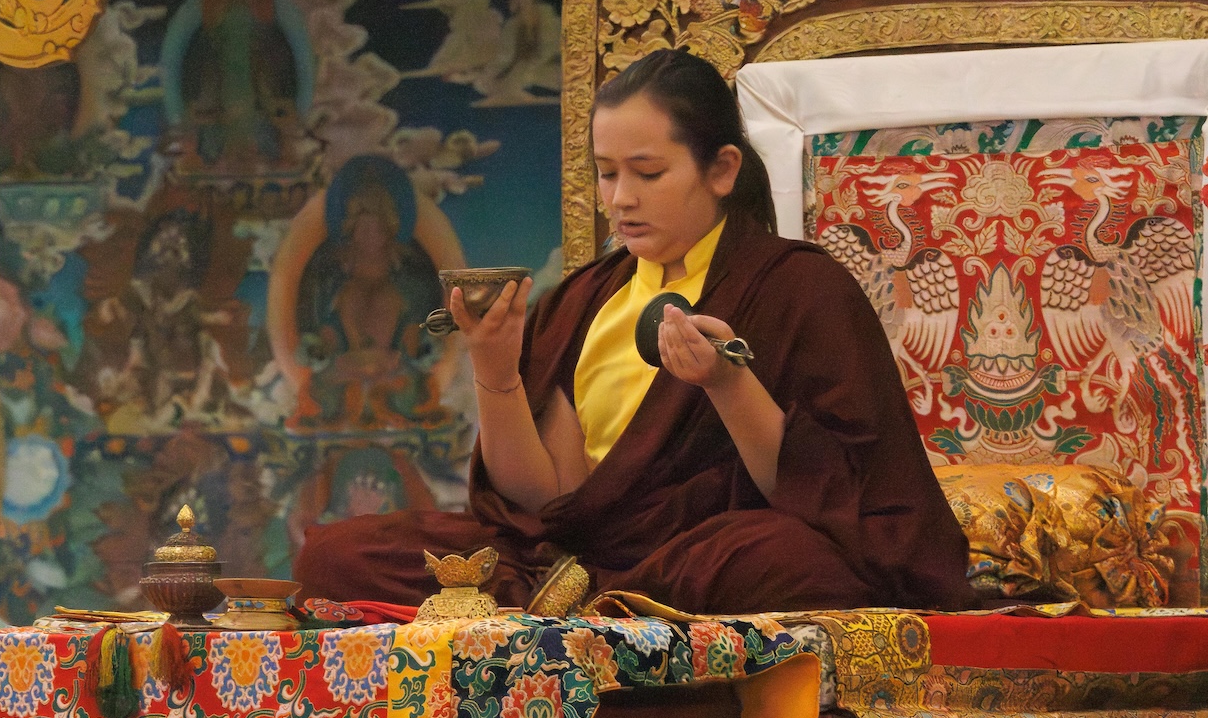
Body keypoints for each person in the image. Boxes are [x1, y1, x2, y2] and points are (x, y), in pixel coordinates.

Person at [293, 48, 977, 614]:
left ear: (722, 169)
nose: (621, 199)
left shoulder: (800, 289)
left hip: (697, 558)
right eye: (607, 174)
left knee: (782, 560)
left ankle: (585, 608)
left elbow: (841, 498)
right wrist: (495, 371)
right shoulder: (583, 300)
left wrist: (727, 383)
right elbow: (546, 502)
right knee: (335, 555)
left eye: (647, 173)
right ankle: (600, 609)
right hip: (568, 565)